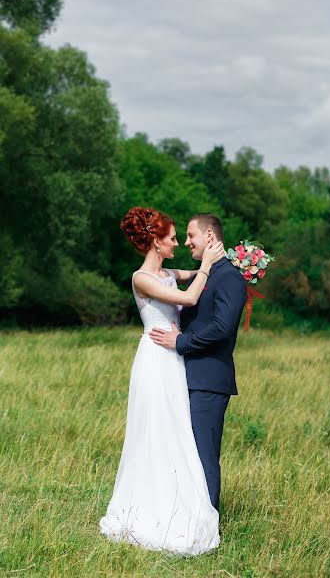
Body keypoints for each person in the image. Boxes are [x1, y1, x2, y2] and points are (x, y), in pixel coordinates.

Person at [99, 206, 224, 556]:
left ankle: (178, 501)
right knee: (155, 430)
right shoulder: (143, 279)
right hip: (155, 361)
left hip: (174, 360)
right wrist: (206, 266)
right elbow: (189, 296)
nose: (177, 243)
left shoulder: (168, 272)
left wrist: (229, 262)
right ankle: (151, 508)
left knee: (176, 429)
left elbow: (195, 278)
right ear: (155, 242)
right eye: (171, 238)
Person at [150, 214, 247, 511]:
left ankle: (208, 527)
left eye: (191, 236)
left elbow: (222, 328)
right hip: (187, 377)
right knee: (185, 454)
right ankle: (186, 517)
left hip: (208, 381)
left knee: (204, 456)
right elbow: (166, 275)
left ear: (210, 237)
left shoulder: (229, 277)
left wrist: (180, 342)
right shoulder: (207, 273)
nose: (187, 242)